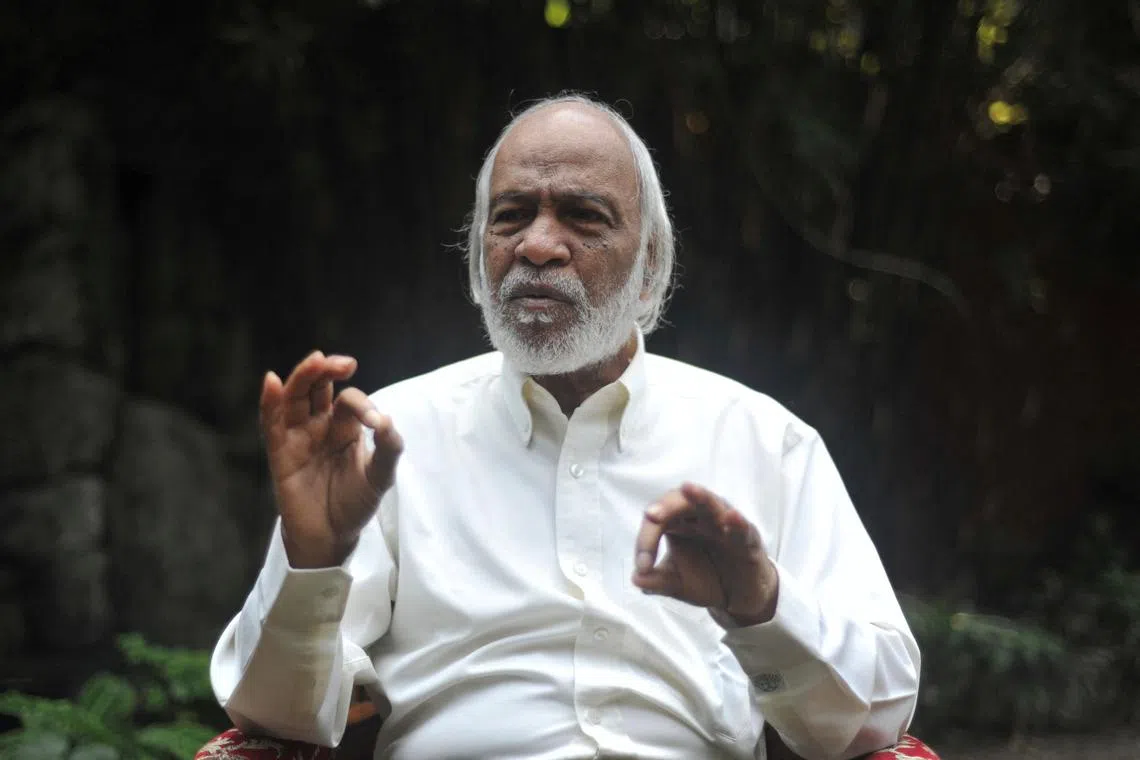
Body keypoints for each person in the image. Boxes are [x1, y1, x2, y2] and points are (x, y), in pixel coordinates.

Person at [211, 94, 920, 760]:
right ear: (478, 257)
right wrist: (312, 559)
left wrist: (764, 604)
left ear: (650, 269)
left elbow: (881, 716)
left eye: (583, 216)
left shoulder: (765, 442)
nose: (539, 246)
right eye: (513, 215)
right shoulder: (386, 441)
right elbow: (276, 725)